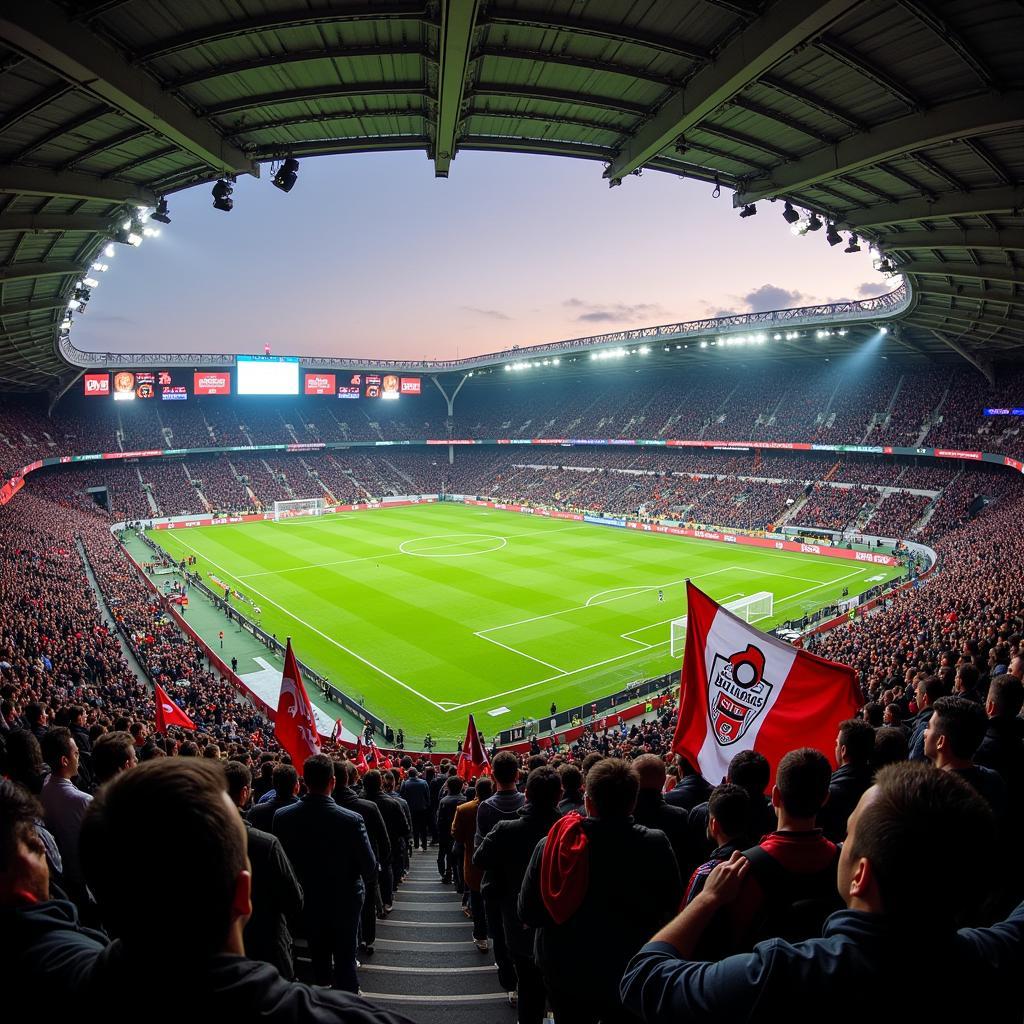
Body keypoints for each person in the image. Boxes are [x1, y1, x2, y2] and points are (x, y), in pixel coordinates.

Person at [620, 763, 1024, 1024]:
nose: (840, 842)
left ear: (860, 876)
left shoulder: (780, 977)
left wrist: (707, 899)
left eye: (848, 836)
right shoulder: (991, 956)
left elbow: (643, 979)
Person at [78, 760, 413, 1022]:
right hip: (329, 911)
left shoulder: (61, 971)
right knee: (342, 952)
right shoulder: (342, 1017)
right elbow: (361, 870)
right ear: (243, 895)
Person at [519, 758, 682, 1024]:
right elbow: (671, 905)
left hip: (565, 968)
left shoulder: (553, 844)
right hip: (629, 966)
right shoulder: (655, 843)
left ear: (588, 800)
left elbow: (527, 910)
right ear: (633, 801)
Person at [273, 754, 376, 992]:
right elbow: (369, 867)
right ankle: (348, 999)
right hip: (346, 900)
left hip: (307, 899)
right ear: (333, 781)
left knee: (318, 952)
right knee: (346, 955)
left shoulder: (283, 817)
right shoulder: (352, 820)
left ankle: (321, 993)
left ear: (304, 782)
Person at [474, 766, 563, 1020]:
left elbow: (480, 859)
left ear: (528, 794)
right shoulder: (572, 827)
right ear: (558, 796)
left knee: (527, 983)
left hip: (517, 921)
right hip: (559, 921)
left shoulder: (506, 829)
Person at [223, 760, 303, 979]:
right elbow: (294, 900)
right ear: (244, 793)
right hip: (267, 944)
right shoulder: (265, 844)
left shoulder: (192, 837)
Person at [39, 727, 92, 901]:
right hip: (84, 880)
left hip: (64, 876)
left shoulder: (46, 785)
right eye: (76, 754)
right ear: (64, 760)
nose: (78, 759)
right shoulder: (83, 800)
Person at [452, 776, 493, 951]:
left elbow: (457, 835)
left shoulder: (464, 809)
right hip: (497, 866)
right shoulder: (501, 807)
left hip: (474, 865)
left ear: (475, 790)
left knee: (476, 900)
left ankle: (481, 936)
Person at [818, 718, 875, 842]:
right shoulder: (879, 787)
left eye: (837, 744)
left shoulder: (828, 793)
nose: (835, 747)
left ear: (843, 750)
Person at [399, 768, 430, 851]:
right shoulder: (424, 782)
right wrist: (427, 805)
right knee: (423, 827)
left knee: (414, 826)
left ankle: (416, 844)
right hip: (422, 808)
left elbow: (401, 795)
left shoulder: (405, 783)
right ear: (416, 774)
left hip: (411, 808)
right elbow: (427, 796)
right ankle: (424, 844)